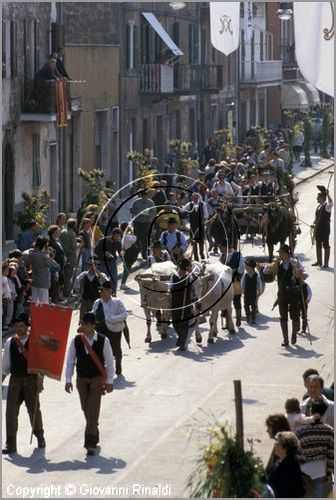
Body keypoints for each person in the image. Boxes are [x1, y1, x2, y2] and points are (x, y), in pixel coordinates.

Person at [65, 312, 114, 456]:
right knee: (86, 409)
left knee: (93, 409)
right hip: (81, 380)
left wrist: (110, 381)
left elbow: (110, 362)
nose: (84, 327)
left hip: (96, 380)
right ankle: (94, 429)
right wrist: (68, 380)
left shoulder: (103, 341)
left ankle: (90, 442)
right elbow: (70, 362)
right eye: (83, 324)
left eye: (87, 324)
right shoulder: (76, 341)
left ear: (93, 325)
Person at [2, 313, 45, 454]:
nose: (18, 328)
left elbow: (40, 363)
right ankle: (11, 443)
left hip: (31, 380)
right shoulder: (10, 342)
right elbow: (5, 365)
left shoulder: (35, 341)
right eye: (17, 326)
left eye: (21, 326)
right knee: (11, 412)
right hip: (15, 380)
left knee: (33, 410)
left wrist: (40, 380)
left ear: (27, 327)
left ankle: (40, 436)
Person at [297, 397, 334, 498]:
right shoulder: (329, 431)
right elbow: (331, 455)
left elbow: (297, 455)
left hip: (304, 473)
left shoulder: (301, 431)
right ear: (324, 413)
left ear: (310, 411)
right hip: (321, 472)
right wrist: (328, 472)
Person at [93, 282, 128, 376]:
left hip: (114, 330)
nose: (101, 293)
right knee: (100, 349)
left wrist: (113, 319)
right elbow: (93, 314)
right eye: (100, 291)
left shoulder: (117, 302)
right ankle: (102, 369)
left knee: (116, 349)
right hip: (100, 329)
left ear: (109, 292)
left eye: (103, 291)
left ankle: (118, 364)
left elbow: (124, 314)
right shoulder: (97, 302)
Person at [276, 244, 303, 347]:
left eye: (282, 252)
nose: (280, 255)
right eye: (280, 253)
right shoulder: (278, 264)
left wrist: (299, 273)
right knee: (283, 316)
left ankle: (293, 334)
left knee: (295, 315)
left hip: (293, 292)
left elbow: (302, 275)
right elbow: (266, 271)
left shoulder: (295, 263)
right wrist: (275, 263)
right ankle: (285, 339)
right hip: (282, 293)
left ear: (287, 253)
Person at [266, 431, 305, 498]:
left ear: (285, 448)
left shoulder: (290, 465)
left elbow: (285, 489)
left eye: (277, 443)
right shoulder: (280, 461)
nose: (275, 446)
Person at [170, 258, 195, 351]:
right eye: (180, 269)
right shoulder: (173, 277)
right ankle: (181, 339)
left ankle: (182, 342)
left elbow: (198, 282)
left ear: (186, 270)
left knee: (183, 324)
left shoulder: (190, 278)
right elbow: (170, 287)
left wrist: (191, 272)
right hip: (174, 304)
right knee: (175, 323)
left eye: (183, 270)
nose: (181, 272)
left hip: (185, 304)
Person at [219, 243, 244, 327]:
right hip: (224, 283)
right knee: (225, 302)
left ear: (226, 247)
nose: (219, 249)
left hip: (235, 281)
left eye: (221, 247)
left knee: (236, 300)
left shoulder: (237, 255)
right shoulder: (222, 256)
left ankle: (238, 318)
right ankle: (227, 322)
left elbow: (241, 268)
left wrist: (232, 270)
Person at [23, 236, 52, 304]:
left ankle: (34, 314)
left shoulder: (31, 253)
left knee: (35, 300)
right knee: (44, 302)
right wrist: (47, 253)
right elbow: (49, 263)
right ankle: (43, 314)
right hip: (43, 281)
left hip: (35, 279)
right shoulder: (43, 256)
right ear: (44, 245)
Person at [94, 228, 122, 295]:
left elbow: (120, 251)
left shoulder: (118, 243)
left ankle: (113, 293)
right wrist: (104, 253)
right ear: (113, 234)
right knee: (103, 279)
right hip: (103, 262)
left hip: (112, 263)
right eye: (117, 236)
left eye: (119, 236)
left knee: (114, 279)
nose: (118, 237)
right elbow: (96, 251)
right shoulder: (104, 240)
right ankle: (102, 293)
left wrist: (122, 255)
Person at [130, 191, 156, 260]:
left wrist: (149, 216)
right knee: (136, 239)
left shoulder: (150, 202)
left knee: (145, 239)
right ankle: (135, 253)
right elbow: (131, 209)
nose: (144, 197)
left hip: (146, 222)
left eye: (145, 196)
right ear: (141, 196)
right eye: (143, 196)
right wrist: (138, 213)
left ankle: (144, 254)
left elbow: (154, 211)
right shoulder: (136, 202)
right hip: (137, 222)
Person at [312, 185, 333, 268]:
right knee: (318, 244)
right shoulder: (318, 206)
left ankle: (326, 263)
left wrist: (328, 194)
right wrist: (314, 223)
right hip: (318, 228)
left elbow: (331, 203)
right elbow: (317, 217)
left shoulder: (327, 206)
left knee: (326, 244)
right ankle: (319, 261)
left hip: (325, 228)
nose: (316, 198)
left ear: (322, 198)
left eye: (318, 197)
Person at [183, 193, 208, 261]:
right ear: (192, 198)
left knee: (201, 241)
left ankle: (201, 253)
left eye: (196, 197)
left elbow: (205, 215)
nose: (195, 199)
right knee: (193, 241)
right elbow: (183, 210)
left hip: (201, 225)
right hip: (193, 225)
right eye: (193, 197)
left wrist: (204, 221)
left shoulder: (203, 204)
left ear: (198, 198)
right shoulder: (189, 204)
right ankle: (196, 256)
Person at [241, 258, 263, 325]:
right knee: (246, 305)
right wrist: (242, 290)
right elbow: (242, 283)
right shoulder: (245, 275)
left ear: (251, 267)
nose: (245, 268)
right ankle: (248, 316)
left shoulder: (256, 275)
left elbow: (259, 284)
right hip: (246, 293)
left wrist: (259, 291)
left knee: (253, 305)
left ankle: (253, 318)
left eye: (247, 266)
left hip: (253, 293)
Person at [59, 218, 77, 298]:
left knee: (65, 273)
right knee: (69, 275)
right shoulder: (72, 233)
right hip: (71, 256)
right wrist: (77, 246)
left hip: (63, 255)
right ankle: (67, 292)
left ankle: (66, 291)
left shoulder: (62, 232)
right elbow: (74, 246)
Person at [120, 222, 139, 290]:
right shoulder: (126, 236)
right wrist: (131, 230)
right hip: (128, 254)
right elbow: (134, 239)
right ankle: (123, 284)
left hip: (125, 254)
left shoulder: (123, 235)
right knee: (127, 269)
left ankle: (123, 283)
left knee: (126, 268)